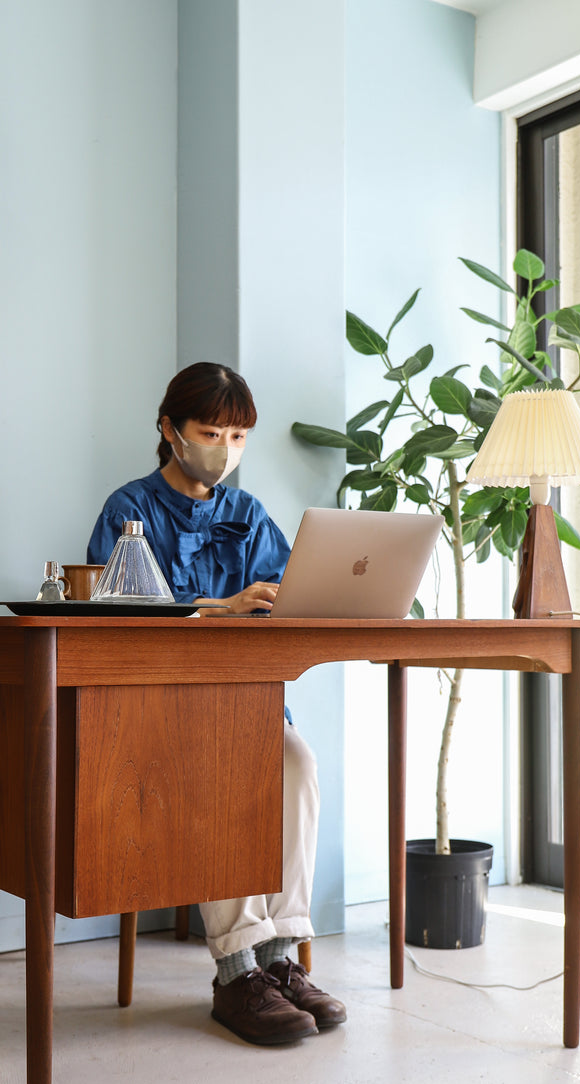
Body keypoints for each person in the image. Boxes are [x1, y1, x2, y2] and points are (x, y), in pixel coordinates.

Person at [87, 361, 346, 1045]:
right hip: (159, 714)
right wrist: (220, 607)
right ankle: (236, 972)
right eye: (210, 432)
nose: (225, 451)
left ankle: (279, 957)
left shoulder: (249, 514)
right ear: (169, 431)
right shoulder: (128, 510)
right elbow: (116, 621)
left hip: (252, 704)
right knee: (221, 765)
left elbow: (294, 594)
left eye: (238, 437)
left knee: (298, 763)